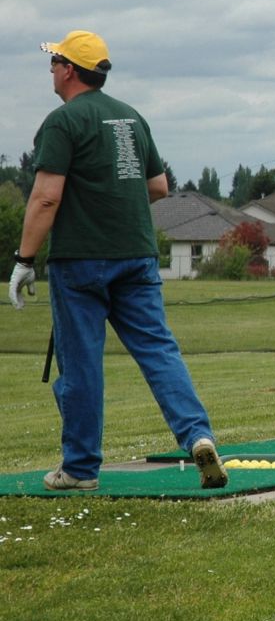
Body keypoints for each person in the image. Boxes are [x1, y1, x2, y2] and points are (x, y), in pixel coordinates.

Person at [8, 30, 227, 491]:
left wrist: (23, 258)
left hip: (81, 261)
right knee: (158, 350)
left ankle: (81, 468)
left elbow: (46, 198)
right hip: (137, 256)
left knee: (82, 364)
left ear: (69, 70)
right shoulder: (131, 117)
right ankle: (198, 435)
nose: (50, 69)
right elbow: (158, 186)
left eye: (54, 63)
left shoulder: (62, 122)